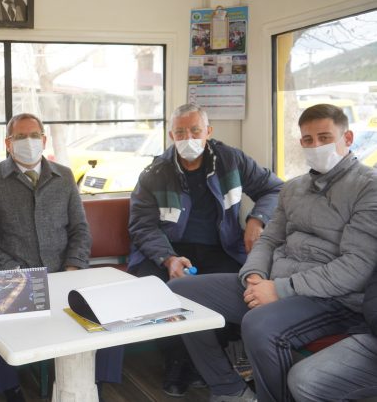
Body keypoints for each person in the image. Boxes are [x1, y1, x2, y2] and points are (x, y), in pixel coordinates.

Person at [168, 103, 377, 402]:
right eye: (308, 140)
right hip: (273, 284)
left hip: (333, 299)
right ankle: (229, 389)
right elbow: (268, 240)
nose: (316, 146)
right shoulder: (293, 188)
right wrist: (254, 275)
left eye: (324, 138)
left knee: (258, 324)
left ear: (348, 138)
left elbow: (355, 267)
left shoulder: (368, 187)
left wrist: (280, 290)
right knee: (179, 293)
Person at [128, 102, 283, 396]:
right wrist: (168, 259)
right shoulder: (155, 172)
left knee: (237, 286)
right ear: (171, 136)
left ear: (208, 131)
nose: (188, 138)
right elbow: (142, 226)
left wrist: (257, 219)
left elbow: (274, 188)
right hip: (167, 249)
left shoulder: (231, 160)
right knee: (157, 290)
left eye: (195, 131)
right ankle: (177, 360)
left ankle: (216, 356)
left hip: (221, 247)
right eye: (180, 132)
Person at [0, 113, 123, 402]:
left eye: (33, 136)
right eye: (19, 137)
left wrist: (73, 267)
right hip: (15, 275)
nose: (27, 142)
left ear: (43, 140)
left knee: (110, 312)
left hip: (65, 271)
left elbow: (80, 230)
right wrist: (15, 271)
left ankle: (95, 382)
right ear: (8, 143)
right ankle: (11, 389)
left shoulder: (63, 176)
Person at [288, 262, 377, 401]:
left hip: (334, 296)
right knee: (305, 380)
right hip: (373, 334)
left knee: (262, 327)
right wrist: (256, 274)